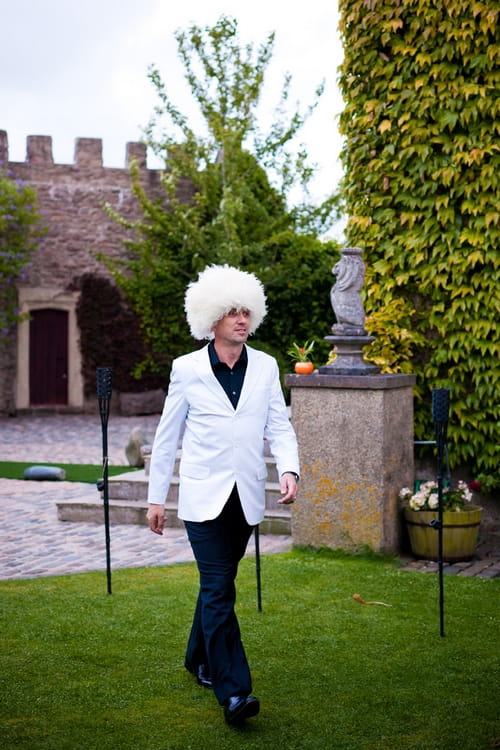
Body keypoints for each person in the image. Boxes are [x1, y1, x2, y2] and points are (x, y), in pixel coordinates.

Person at [146, 264, 300, 726]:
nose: (241, 320)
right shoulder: (187, 369)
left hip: (247, 496)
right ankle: (234, 692)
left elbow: (279, 423)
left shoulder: (267, 365)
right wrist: (157, 499)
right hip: (202, 497)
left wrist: (289, 467)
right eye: (231, 312)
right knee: (218, 589)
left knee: (218, 586)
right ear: (210, 319)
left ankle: (197, 657)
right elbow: (166, 437)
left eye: (246, 312)